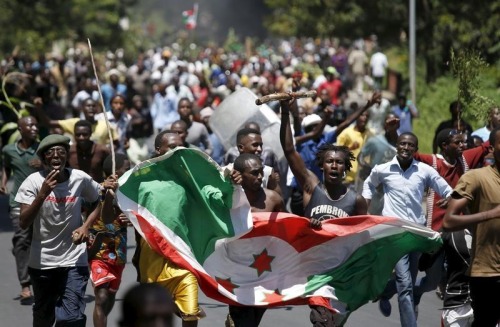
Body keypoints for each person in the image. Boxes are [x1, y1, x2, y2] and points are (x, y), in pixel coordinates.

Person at [280, 98, 368, 326]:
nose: (334, 166)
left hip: (342, 272)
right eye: (330, 162)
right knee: (320, 319)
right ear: (322, 165)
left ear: (345, 167)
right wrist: (285, 113)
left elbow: (363, 239)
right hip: (315, 270)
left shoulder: (355, 200)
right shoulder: (311, 187)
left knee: (333, 322)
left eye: (339, 162)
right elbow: (289, 150)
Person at [362, 132, 453, 327]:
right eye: (402, 143)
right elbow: (368, 184)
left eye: (410, 145)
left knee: (408, 282)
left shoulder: (424, 171)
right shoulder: (383, 169)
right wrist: (365, 206)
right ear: (397, 146)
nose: (405, 147)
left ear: (415, 149)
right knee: (404, 284)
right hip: (395, 232)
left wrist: (449, 199)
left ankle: (385, 291)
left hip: (417, 232)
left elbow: (447, 189)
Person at [15, 134, 101, 326]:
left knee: (70, 318)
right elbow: (23, 222)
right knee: (44, 316)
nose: (56, 155)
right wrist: (43, 193)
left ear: (66, 157)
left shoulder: (80, 178)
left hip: (74, 259)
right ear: (44, 158)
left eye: (61, 152)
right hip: (43, 262)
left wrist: (85, 226)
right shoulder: (33, 182)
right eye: (51, 152)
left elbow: (97, 201)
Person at [136, 130, 206, 327]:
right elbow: (124, 210)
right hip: (153, 259)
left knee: (191, 314)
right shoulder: (140, 178)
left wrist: (229, 184)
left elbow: (209, 195)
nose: (178, 151)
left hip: (183, 257)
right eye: (172, 147)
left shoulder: (190, 177)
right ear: (158, 150)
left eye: (180, 147)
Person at [443, 126, 500, 327]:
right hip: (487, 272)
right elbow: (448, 221)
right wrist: (489, 214)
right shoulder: (476, 178)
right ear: (492, 148)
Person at [226, 153, 286, 327]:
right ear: (239, 174)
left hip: (264, 269)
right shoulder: (228, 198)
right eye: (254, 173)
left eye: (261, 172)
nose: (260, 177)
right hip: (237, 270)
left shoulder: (273, 199)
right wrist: (227, 183)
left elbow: (288, 226)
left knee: (253, 320)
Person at [85, 153, 131, 327]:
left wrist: (132, 219)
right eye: (126, 167)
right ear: (115, 170)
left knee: (110, 295)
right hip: (98, 250)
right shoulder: (96, 189)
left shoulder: (128, 191)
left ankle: (102, 319)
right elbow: (95, 213)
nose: (129, 170)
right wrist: (105, 190)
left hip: (119, 251)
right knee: (101, 296)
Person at [1, 116, 42, 305]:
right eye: (30, 125)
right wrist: (3, 182)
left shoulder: (43, 148)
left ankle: (23, 254)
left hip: (42, 201)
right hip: (18, 201)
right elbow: (7, 167)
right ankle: (25, 284)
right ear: (20, 128)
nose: (34, 127)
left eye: (35, 124)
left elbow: (57, 168)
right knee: (22, 239)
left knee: (37, 239)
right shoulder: (9, 150)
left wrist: (44, 165)